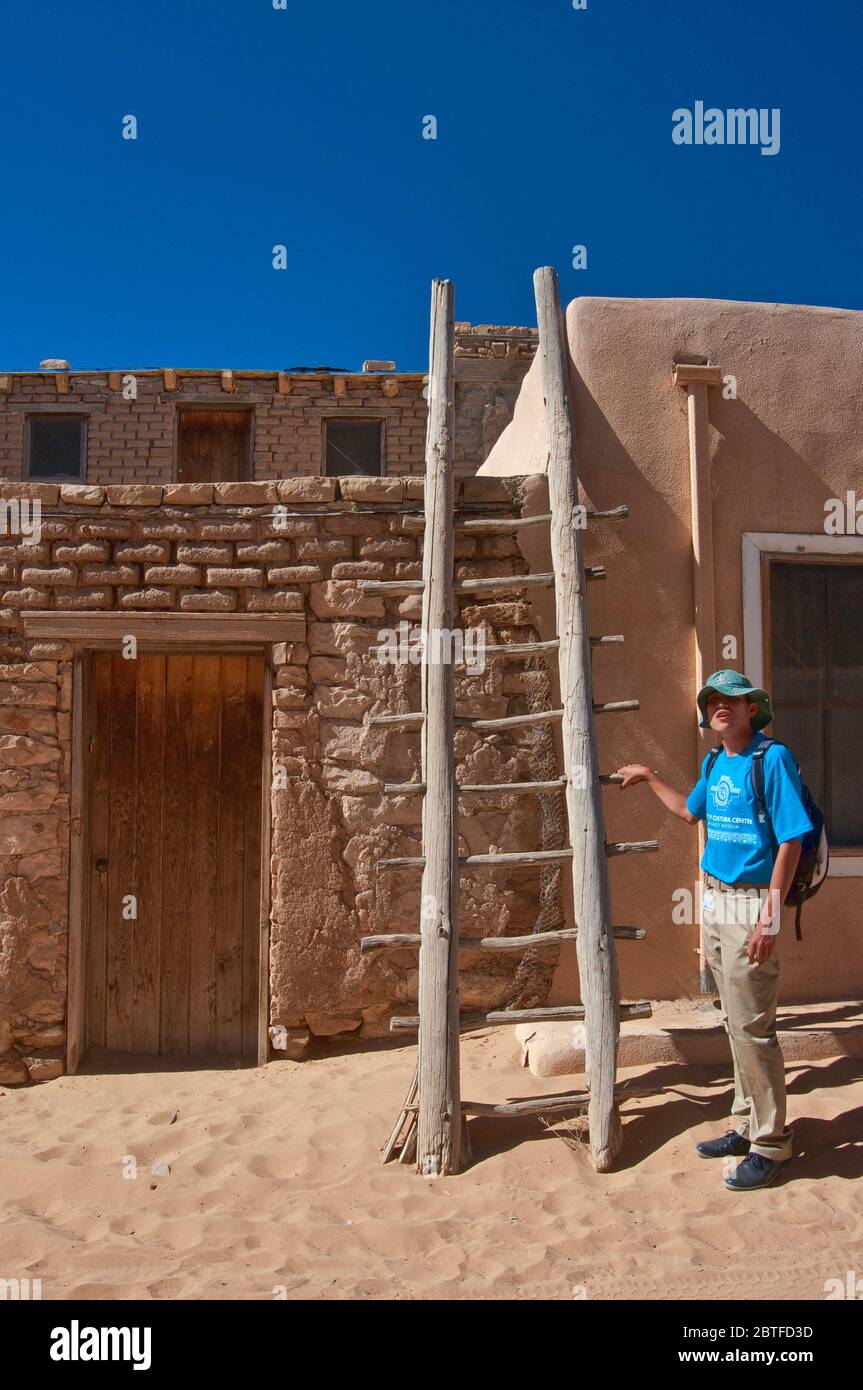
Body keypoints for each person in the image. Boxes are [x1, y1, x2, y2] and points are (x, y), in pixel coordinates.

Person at [616, 669, 814, 1191]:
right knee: (733, 1020)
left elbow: (792, 840)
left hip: (752, 906)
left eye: (732, 698)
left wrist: (768, 916)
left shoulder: (771, 760)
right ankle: (746, 1125)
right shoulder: (717, 762)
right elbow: (688, 811)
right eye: (713, 699)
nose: (721, 705)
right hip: (718, 902)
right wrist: (650, 775)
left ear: (753, 709)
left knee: (754, 1027)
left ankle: (772, 1144)